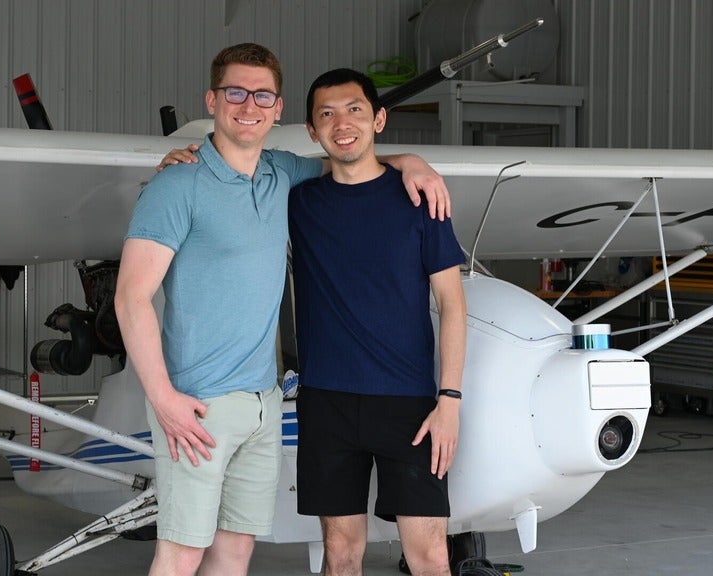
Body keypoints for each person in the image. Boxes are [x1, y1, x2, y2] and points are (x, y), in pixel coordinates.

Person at [115, 43, 451, 576]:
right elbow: (130, 296)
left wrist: (410, 161)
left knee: (237, 549)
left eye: (262, 95)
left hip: (263, 401)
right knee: (180, 553)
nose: (248, 106)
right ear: (212, 99)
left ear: (277, 108)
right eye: (236, 92)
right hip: (195, 405)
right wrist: (164, 399)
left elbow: (350, 159)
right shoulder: (177, 184)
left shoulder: (282, 174)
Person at [289, 68, 467, 576]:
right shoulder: (299, 201)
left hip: (409, 404)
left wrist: (449, 400)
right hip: (327, 401)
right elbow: (237, 173)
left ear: (379, 119)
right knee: (341, 554)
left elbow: (452, 304)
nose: (341, 123)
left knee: (430, 555)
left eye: (355, 110)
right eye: (326, 113)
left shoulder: (422, 201)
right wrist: (181, 157)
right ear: (311, 130)